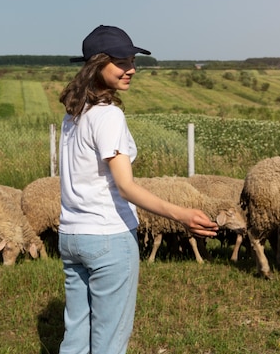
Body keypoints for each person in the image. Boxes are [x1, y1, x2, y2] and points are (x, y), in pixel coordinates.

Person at [57, 24, 219, 354]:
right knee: (110, 341)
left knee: (76, 334)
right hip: (108, 237)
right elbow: (126, 187)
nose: (131, 69)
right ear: (97, 64)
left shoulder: (73, 114)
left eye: (132, 60)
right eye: (122, 62)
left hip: (72, 236)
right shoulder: (108, 116)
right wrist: (182, 214)